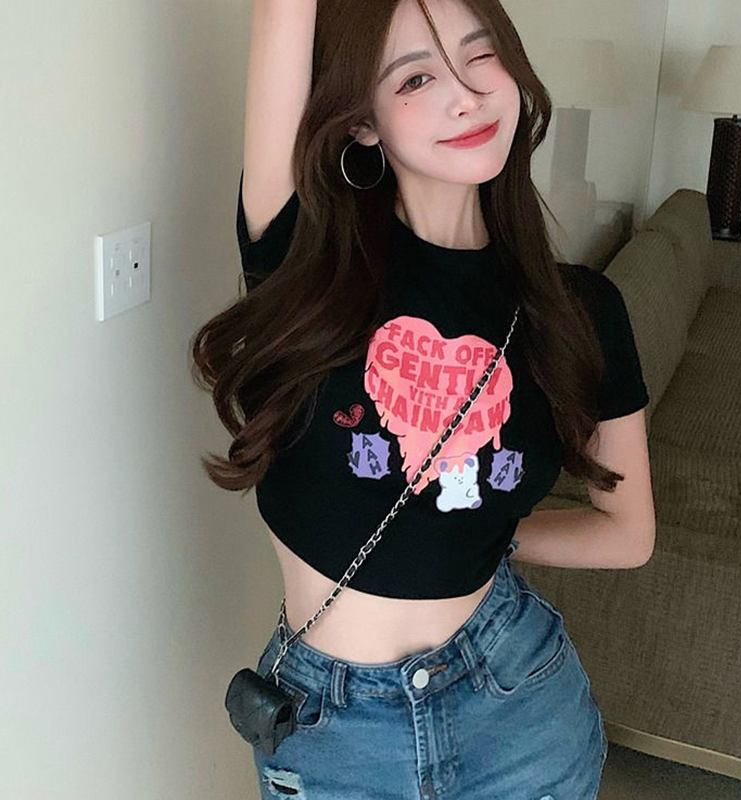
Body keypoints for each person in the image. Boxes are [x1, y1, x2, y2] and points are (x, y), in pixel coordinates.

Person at [191, 0, 655, 797]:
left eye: (481, 55)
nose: (466, 96)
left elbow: (628, 534)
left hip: (518, 707)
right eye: (414, 78)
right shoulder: (305, 261)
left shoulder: (581, 311)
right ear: (362, 122)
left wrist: (480, 533)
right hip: (332, 731)